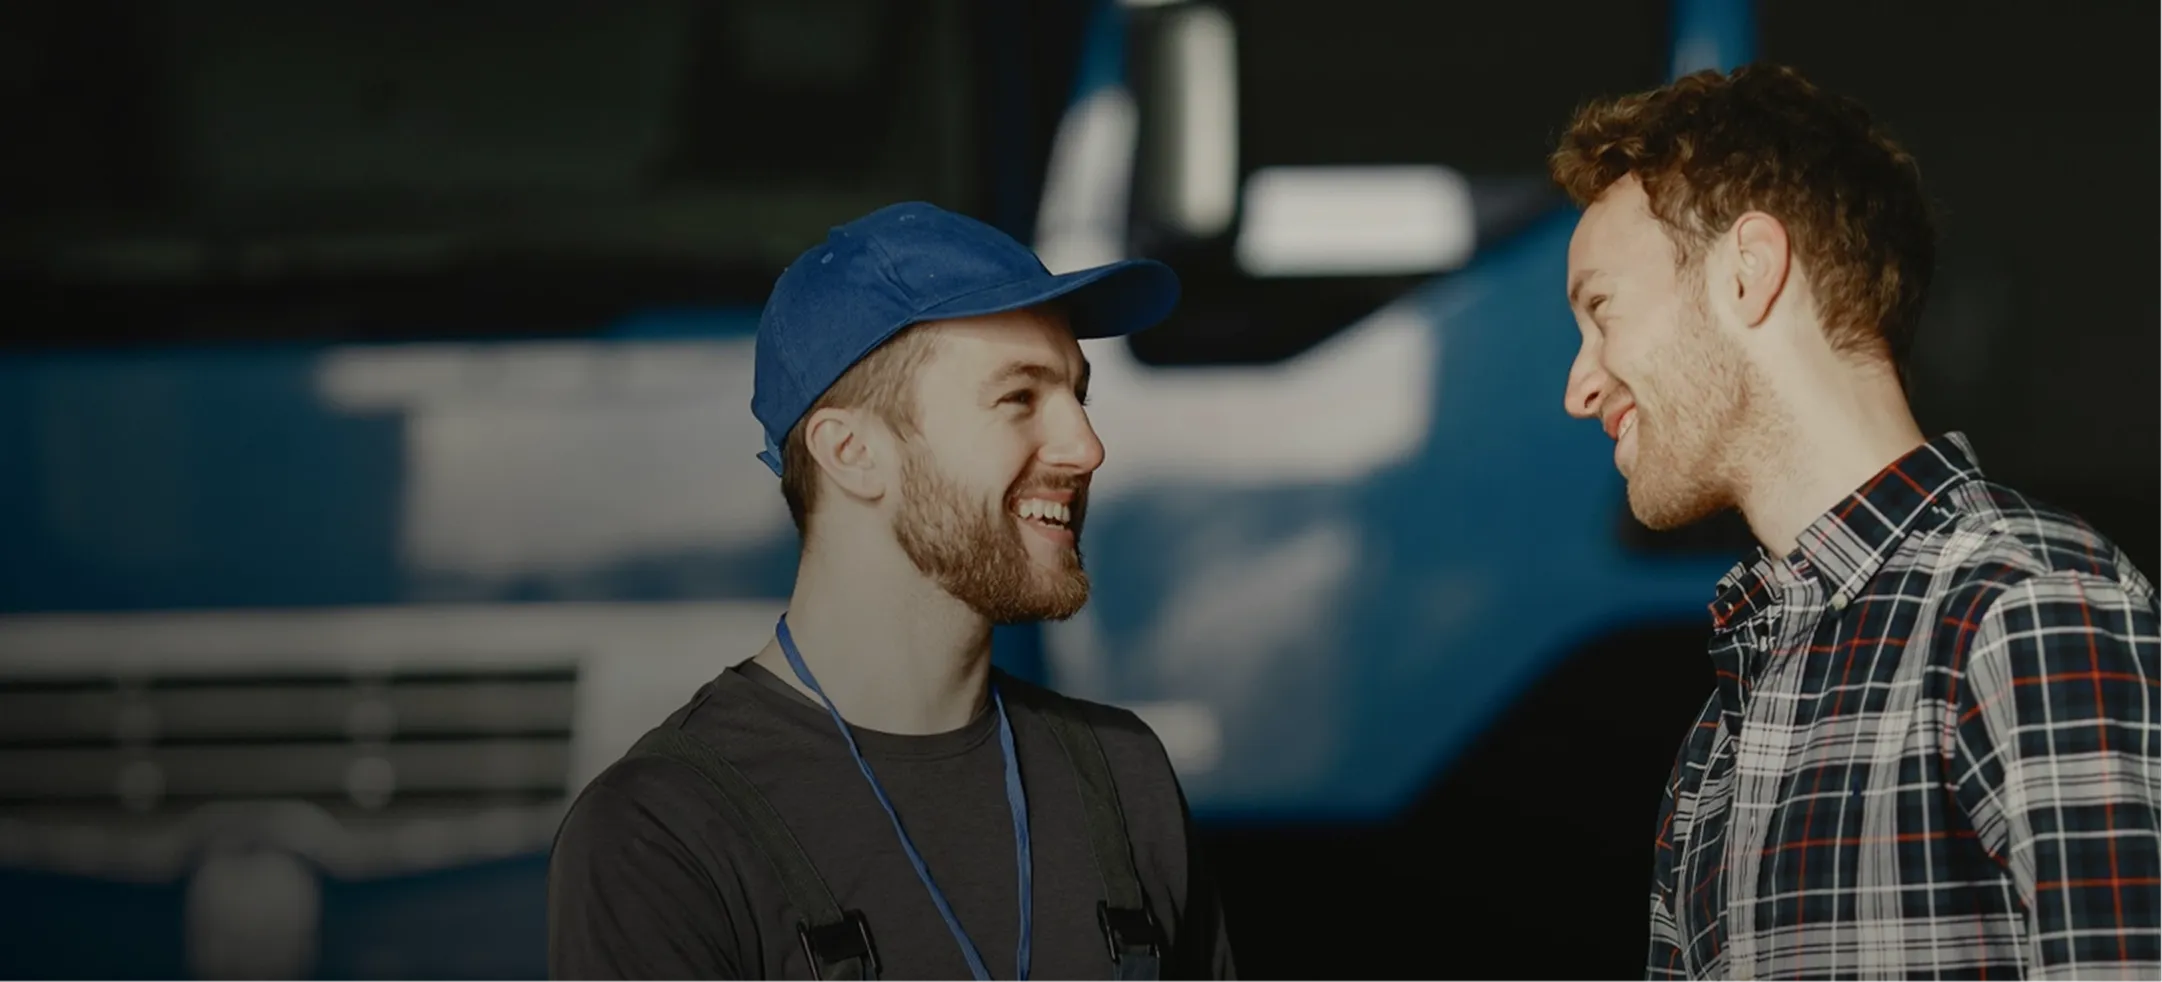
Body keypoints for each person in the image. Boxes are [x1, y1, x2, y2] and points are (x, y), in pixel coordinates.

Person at [1549, 63, 2160, 980]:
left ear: (1749, 272)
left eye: (1601, 312)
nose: (1579, 385)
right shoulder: (1719, 740)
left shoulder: (2026, 608)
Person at [546, 201, 1237, 982]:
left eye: (1079, 394)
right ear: (851, 452)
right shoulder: (666, 836)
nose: (1087, 445)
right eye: (1020, 398)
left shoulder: (1122, 779)